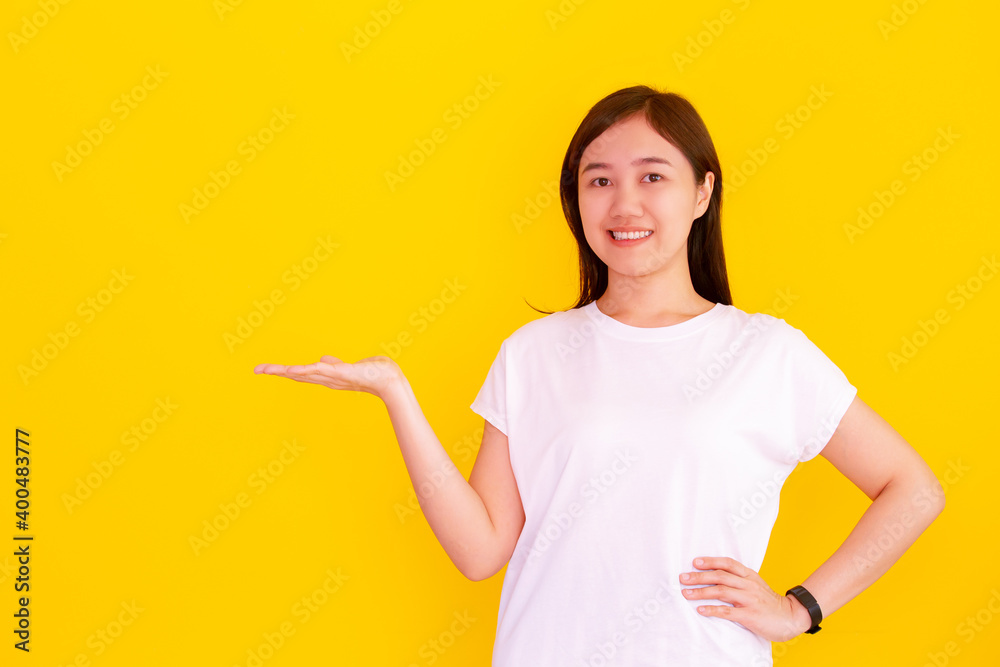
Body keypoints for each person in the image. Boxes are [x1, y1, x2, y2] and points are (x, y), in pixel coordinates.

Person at [253, 85, 946, 666]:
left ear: (703, 192)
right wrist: (395, 395)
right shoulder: (533, 352)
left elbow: (913, 488)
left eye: (653, 176)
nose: (623, 204)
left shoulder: (766, 353)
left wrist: (801, 608)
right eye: (599, 180)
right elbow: (479, 549)